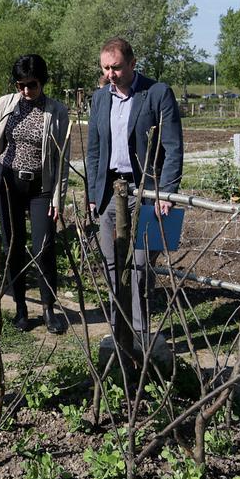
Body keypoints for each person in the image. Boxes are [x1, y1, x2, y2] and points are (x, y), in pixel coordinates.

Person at [85, 36, 184, 353]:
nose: (110, 74)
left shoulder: (156, 94)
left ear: (132, 64)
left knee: (140, 270)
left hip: (145, 193)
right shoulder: (100, 98)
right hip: (109, 195)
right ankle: (118, 333)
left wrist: (166, 192)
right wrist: (92, 192)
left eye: (115, 67)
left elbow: (173, 148)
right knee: (112, 267)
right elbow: (94, 151)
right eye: (105, 68)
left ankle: (139, 336)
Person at [0, 54, 72, 335]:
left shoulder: (57, 111)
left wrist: (58, 198)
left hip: (41, 188)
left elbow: (62, 159)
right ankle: (20, 308)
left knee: (44, 249)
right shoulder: (6, 103)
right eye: (20, 85)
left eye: (31, 85)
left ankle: (48, 308)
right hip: (6, 184)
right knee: (13, 247)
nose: (26, 91)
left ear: (42, 81)